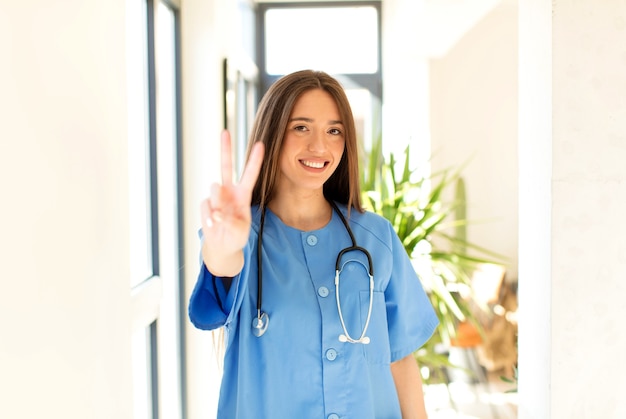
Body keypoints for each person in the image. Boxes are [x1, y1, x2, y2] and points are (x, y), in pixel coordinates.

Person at [189, 70, 439, 419]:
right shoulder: (241, 237)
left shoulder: (375, 239)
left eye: (334, 131)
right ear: (274, 132)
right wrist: (224, 245)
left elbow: (398, 358)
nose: (319, 146)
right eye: (301, 127)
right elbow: (222, 267)